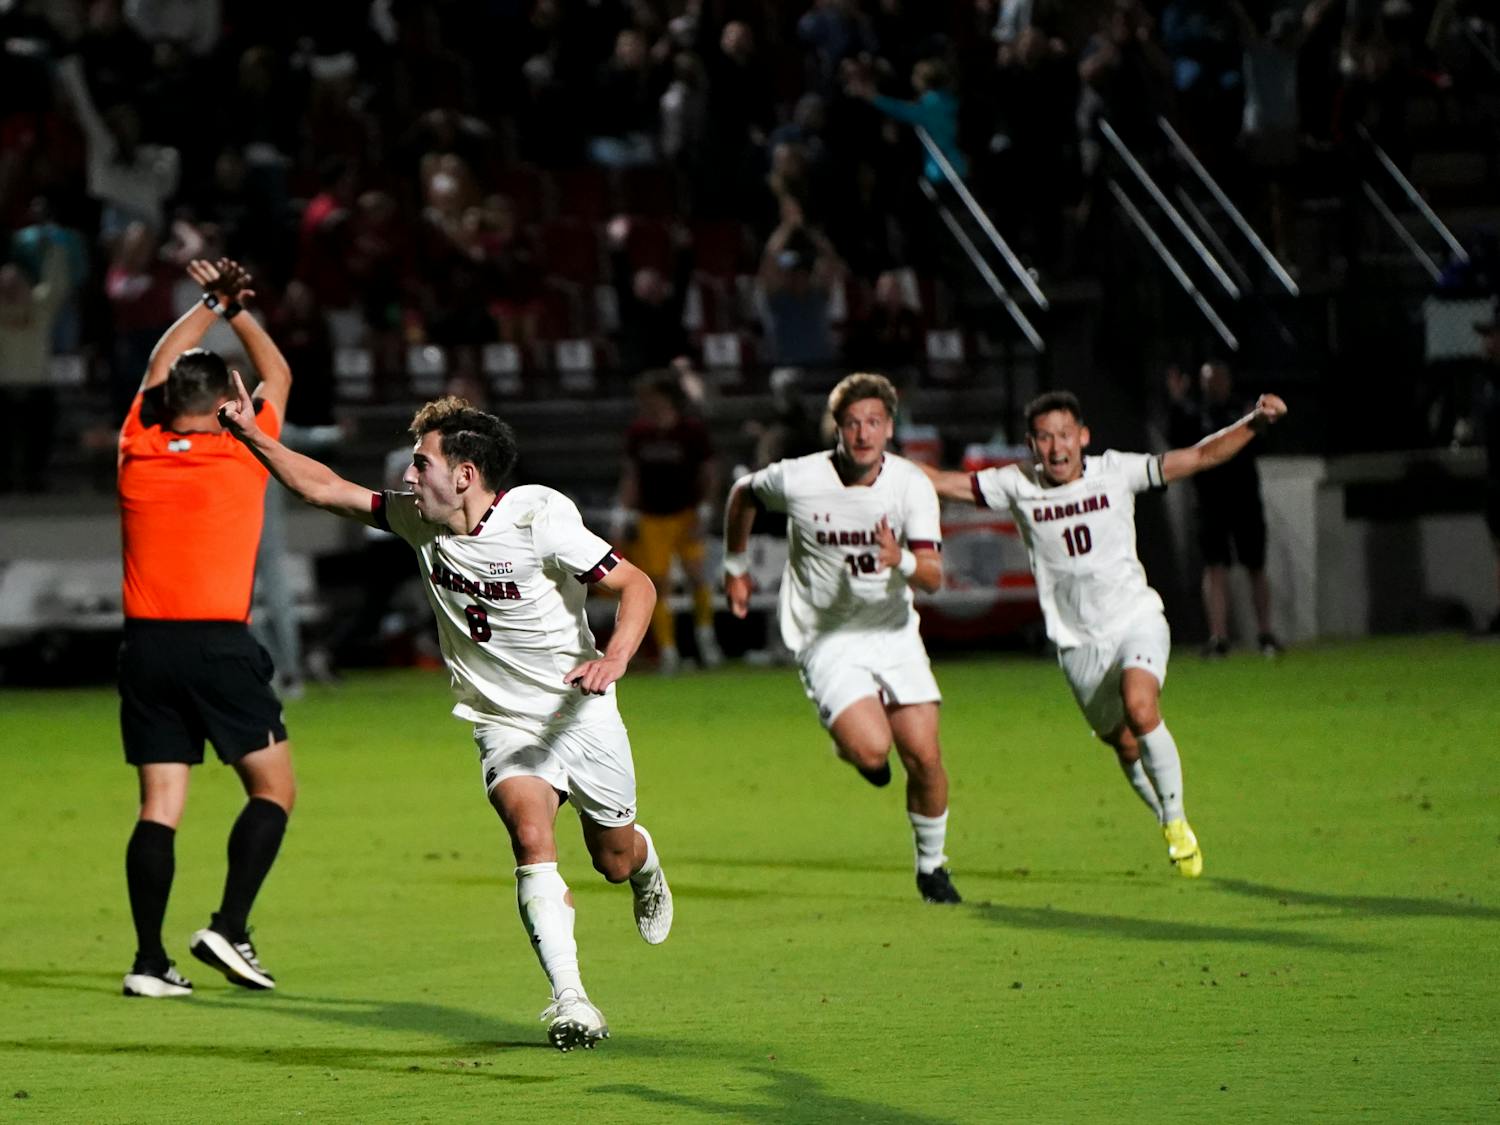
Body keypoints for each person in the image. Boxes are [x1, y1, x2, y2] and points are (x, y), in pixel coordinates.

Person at [217, 387, 672, 1053]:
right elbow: (323, 488)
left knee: (612, 856)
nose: (408, 474)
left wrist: (615, 657)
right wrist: (249, 434)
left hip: (579, 709)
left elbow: (637, 584)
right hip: (501, 718)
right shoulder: (418, 520)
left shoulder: (539, 519)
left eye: (420, 462)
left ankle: (644, 862)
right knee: (529, 832)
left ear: (464, 474)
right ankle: (571, 998)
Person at [920, 389, 1289, 878]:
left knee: (1142, 707)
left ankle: (1177, 822)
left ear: (1083, 437)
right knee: (1125, 744)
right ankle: (1164, 815)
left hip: (1135, 618)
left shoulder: (1117, 470)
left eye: (1065, 435)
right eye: (1045, 438)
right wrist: (877, 465)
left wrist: (1254, 423)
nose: (1057, 448)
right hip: (1078, 645)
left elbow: (1199, 456)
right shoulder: (1015, 484)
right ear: (1031, 444)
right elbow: (944, 483)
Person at [116, 258, 296, 998]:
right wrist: (239, 310)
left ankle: (149, 961)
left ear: (161, 402)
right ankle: (230, 923)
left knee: (159, 806)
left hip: (146, 648)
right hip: (219, 644)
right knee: (273, 791)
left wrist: (207, 304)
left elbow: (159, 363)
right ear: (230, 400)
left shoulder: (138, 448)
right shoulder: (243, 448)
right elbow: (276, 374)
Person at [721, 372, 962, 904]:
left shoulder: (909, 485)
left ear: (889, 428)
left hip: (893, 633)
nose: (862, 434)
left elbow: (932, 576)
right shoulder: (800, 478)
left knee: (924, 755)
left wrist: (900, 559)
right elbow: (743, 494)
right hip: (825, 636)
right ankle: (855, 746)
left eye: (873, 422)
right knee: (874, 749)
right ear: (837, 427)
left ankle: (932, 868)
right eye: (852, 423)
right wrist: (735, 564)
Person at [1167, 360, 1284, 657]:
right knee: (1215, 566)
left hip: (1245, 498)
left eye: (1219, 378)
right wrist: (1177, 403)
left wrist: (1259, 422)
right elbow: (1178, 444)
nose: (1214, 385)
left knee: (1255, 566)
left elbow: (1262, 445)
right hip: (1210, 502)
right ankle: (1218, 636)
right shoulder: (1195, 413)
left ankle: (1265, 633)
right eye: (1209, 380)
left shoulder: (1243, 410)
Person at [618, 369, 723, 674]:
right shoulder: (638, 433)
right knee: (657, 583)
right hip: (652, 516)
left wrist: (704, 510)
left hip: (685, 513)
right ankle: (668, 650)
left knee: (695, 576)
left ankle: (706, 639)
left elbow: (710, 473)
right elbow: (631, 476)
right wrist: (624, 512)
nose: (644, 403)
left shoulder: (691, 431)